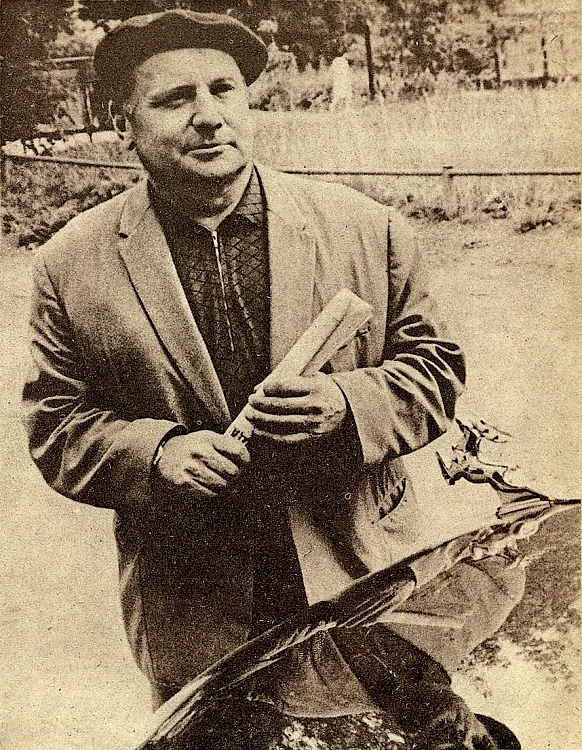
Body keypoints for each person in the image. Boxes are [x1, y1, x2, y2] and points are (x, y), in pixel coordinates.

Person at [22, 10, 524, 748]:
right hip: (197, 609)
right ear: (124, 123)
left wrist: (348, 404)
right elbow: (57, 424)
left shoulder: (366, 228)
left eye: (223, 89)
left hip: (368, 577)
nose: (208, 115)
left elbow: (436, 370)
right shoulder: (71, 265)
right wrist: (157, 453)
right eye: (174, 99)